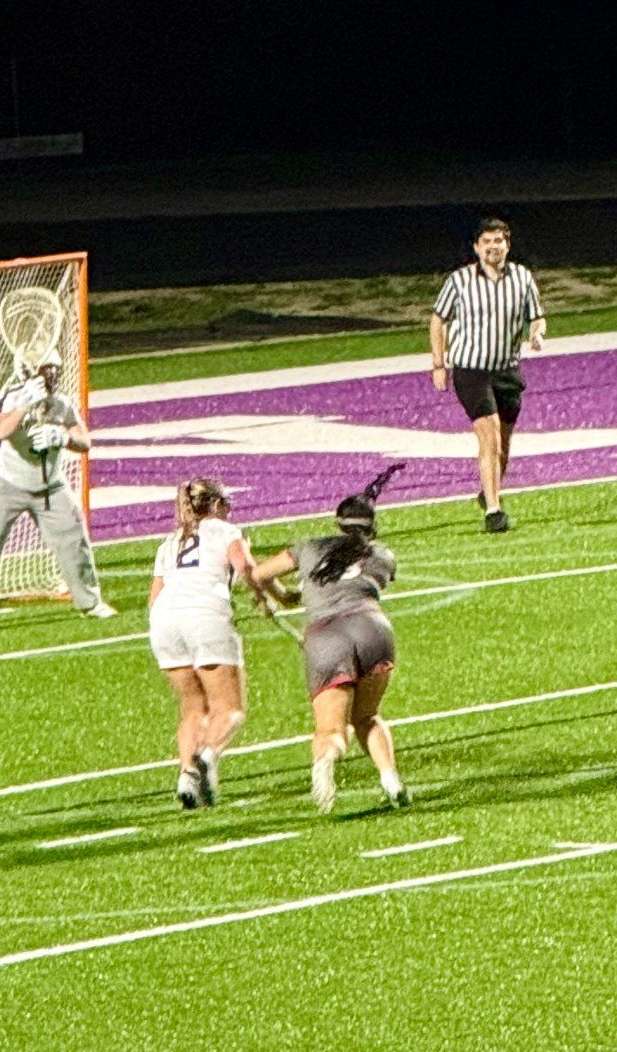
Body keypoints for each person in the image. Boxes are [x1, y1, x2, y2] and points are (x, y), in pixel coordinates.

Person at [250, 466, 410, 812]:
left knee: (331, 728)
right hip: (373, 629)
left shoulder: (309, 547)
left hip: (326, 635)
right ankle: (390, 779)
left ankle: (325, 763)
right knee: (367, 717)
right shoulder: (383, 555)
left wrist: (281, 598)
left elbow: (257, 575)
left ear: (337, 523)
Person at [0, 350, 116, 631]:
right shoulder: (12, 396)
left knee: (73, 539)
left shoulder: (61, 403)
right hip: (3, 483)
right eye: (46, 370)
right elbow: (1, 430)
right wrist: (23, 407)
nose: (52, 376)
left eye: (55, 370)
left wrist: (62, 437)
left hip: (49, 486)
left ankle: (90, 602)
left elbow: (84, 441)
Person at [429, 217, 546, 533]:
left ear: (507, 244)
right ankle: (494, 511)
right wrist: (439, 363)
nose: (493, 247)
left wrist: (537, 333)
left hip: (507, 370)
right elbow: (438, 320)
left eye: (498, 241)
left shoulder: (522, 277)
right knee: (489, 437)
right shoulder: (460, 281)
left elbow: (537, 316)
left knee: (503, 444)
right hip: (472, 371)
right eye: (487, 242)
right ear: (476, 247)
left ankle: (488, 489)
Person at [147, 479, 254, 808]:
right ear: (216, 505)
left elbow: (154, 598)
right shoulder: (225, 531)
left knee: (193, 707)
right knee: (230, 709)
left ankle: (186, 776)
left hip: (164, 622)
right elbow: (246, 569)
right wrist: (271, 597)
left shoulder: (170, 542)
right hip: (205, 616)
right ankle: (206, 756)